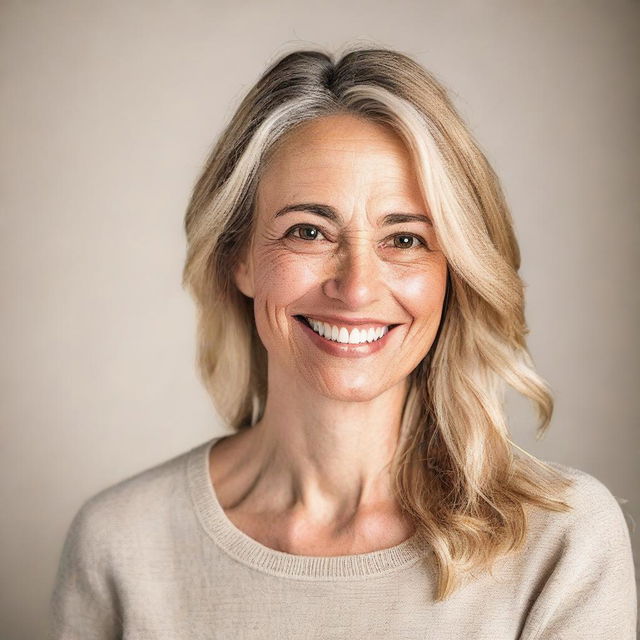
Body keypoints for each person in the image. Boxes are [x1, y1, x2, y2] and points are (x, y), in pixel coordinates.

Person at [48, 45, 637, 639]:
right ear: (240, 259)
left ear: (453, 271)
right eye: (308, 231)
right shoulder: (121, 544)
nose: (356, 288)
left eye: (404, 239)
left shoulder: (561, 541)